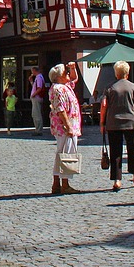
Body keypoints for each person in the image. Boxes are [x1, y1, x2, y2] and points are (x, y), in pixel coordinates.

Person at [101, 61, 134, 191]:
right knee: (133, 150)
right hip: (131, 123)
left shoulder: (109, 87)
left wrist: (102, 122)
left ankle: (117, 180)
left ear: (116, 73)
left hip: (113, 123)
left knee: (115, 152)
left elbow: (103, 105)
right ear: (127, 72)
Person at [48, 62, 82, 195]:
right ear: (58, 76)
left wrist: (72, 68)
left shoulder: (65, 86)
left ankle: (57, 184)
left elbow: (74, 79)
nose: (67, 74)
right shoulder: (58, 89)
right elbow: (60, 109)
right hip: (64, 127)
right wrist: (68, 126)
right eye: (65, 72)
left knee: (61, 154)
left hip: (68, 125)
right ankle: (65, 184)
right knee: (65, 154)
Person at [29, 66, 48, 136]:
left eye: (32, 71)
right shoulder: (37, 78)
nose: (32, 73)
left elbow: (39, 88)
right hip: (36, 97)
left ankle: (38, 130)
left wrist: (33, 95)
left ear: (34, 70)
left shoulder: (39, 77)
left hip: (37, 97)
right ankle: (37, 129)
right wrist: (31, 81)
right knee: (34, 114)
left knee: (37, 114)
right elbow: (35, 87)